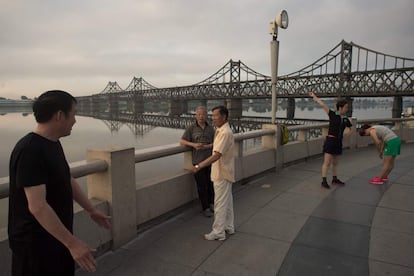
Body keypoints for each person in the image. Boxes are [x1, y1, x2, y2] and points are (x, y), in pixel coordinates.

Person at [8, 90, 111, 276]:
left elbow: (66, 178)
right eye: (73, 114)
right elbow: (37, 206)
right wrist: (73, 244)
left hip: (57, 237)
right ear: (59, 116)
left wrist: (91, 210)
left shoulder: (52, 143)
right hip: (36, 245)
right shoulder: (30, 150)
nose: (75, 120)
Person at [190, 105, 235, 241]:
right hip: (226, 171)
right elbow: (216, 147)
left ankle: (218, 232)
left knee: (219, 203)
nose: (213, 118)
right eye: (213, 115)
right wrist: (205, 146)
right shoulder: (222, 130)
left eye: (216, 116)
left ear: (224, 117)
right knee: (227, 202)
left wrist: (198, 166)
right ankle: (229, 226)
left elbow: (216, 155)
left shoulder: (225, 132)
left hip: (221, 173)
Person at [309, 92, 352, 189]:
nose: (347, 109)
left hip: (338, 142)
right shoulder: (332, 114)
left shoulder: (345, 119)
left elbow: (350, 129)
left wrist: (346, 136)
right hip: (330, 141)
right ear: (340, 108)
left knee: (335, 163)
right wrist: (314, 97)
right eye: (346, 107)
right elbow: (322, 104)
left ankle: (334, 179)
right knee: (327, 162)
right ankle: (324, 181)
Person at [180, 106, 215, 217]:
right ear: (196, 115)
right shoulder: (191, 128)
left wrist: (207, 146)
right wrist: (194, 145)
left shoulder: (211, 128)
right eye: (199, 114)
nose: (201, 116)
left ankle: (212, 203)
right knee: (201, 186)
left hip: (210, 161)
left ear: (206, 115)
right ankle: (205, 208)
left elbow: (217, 143)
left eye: (203, 114)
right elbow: (182, 141)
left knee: (210, 184)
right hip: (197, 162)